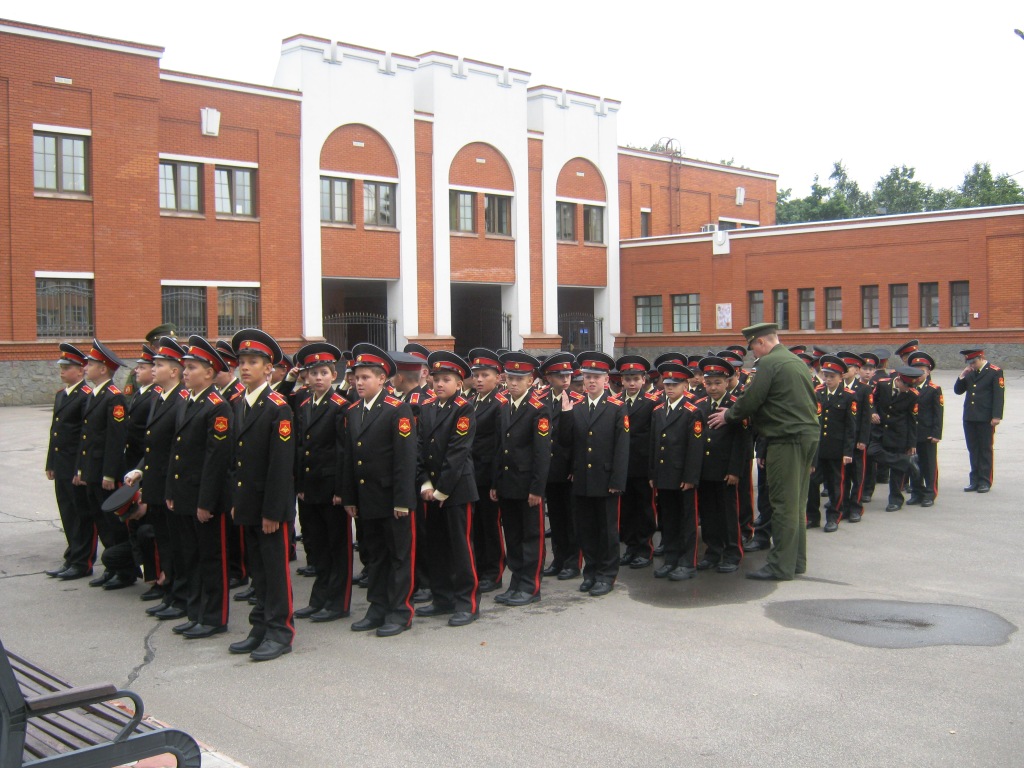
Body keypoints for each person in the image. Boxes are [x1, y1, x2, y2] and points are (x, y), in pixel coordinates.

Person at [707, 323, 819, 581]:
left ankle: (780, 566)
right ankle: (795, 561)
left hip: (786, 438)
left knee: (782, 504)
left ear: (761, 342)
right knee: (797, 502)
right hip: (805, 436)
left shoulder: (769, 363)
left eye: (753, 348)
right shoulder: (794, 361)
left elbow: (753, 398)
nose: (753, 354)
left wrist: (729, 414)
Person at [227, 329, 296, 662]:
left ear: (270, 369)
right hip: (248, 503)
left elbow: (280, 467)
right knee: (258, 570)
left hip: (269, 507)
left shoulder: (277, 407)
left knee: (274, 570)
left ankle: (280, 631)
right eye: (242, 362)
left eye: (253, 362)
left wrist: (273, 511)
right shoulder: (240, 402)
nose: (245, 368)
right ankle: (259, 626)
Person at [340, 344, 418, 637]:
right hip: (366, 498)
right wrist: (349, 496)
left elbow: (405, 459)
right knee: (374, 555)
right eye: (356, 377)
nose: (358, 382)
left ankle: (399, 611)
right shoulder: (353, 411)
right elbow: (349, 457)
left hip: (391, 498)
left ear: (382, 379)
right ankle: (378, 606)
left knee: (398, 555)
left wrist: (402, 500)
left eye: (365, 377)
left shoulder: (398, 410)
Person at [164, 336, 234, 639]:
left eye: (191, 368)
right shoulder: (187, 402)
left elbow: (216, 460)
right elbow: (176, 453)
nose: (185, 372)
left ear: (209, 372)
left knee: (210, 558)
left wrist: (206, 502)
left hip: (205, 499)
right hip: (184, 494)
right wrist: (170, 491)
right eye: (185, 367)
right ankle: (195, 612)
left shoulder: (217, 408)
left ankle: (214, 616)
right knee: (189, 557)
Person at [124, 336, 189, 615]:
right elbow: (153, 444)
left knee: (176, 543)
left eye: (159, 365)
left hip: (170, 484)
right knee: (163, 539)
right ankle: (171, 592)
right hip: (155, 481)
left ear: (174, 371)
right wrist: (140, 468)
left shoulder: (180, 401)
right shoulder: (159, 398)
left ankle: (180, 595)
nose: (153, 369)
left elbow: (178, 449)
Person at [415, 351, 480, 627]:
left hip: (456, 490)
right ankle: (442, 598)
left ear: (459, 383)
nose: (439, 384)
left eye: (446, 379)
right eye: (436, 379)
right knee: (437, 546)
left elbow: (457, 452)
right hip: (433, 491)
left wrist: (441, 489)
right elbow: (419, 447)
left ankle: (468, 602)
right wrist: (426, 483)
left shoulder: (463, 409)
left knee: (460, 547)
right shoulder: (427, 407)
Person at [558, 351, 629, 596]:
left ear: (606, 381)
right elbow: (567, 443)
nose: (590, 381)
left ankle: (607, 575)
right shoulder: (575, 407)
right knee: (585, 528)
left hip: (606, 478)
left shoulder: (617, 407)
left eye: (596, 377)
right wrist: (565, 415)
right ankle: (591, 571)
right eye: (587, 377)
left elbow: (622, 447)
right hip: (582, 478)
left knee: (607, 530)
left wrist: (617, 480)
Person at [292, 342, 352, 624]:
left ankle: (338, 602)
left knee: (337, 547)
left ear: (333, 375)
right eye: (313, 372)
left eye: (324, 372)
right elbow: (302, 446)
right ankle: (319, 599)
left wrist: (342, 490)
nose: (318, 377)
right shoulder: (304, 403)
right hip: (311, 486)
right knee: (317, 547)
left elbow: (343, 451)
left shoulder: (340, 406)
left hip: (332, 489)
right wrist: (300, 483)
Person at [491, 351, 551, 606]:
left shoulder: (539, 410)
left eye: (520, 378)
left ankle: (530, 586)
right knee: (513, 535)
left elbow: (541, 453)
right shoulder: (504, 406)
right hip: (507, 483)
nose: (513, 383)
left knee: (531, 536)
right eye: (510, 378)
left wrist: (537, 489)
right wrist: (495, 482)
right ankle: (516, 582)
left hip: (527, 486)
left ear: (531, 381)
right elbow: (499, 447)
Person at [77, 339, 131, 589]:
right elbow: (87, 437)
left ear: (104, 369)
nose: (86, 367)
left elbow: (115, 440)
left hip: (105, 472)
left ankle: (124, 570)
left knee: (112, 523)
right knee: (100, 520)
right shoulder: (94, 395)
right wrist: (81, 469)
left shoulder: (114, 398)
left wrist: (110, 473)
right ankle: (112, 567)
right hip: (92, 470)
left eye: (91, 364)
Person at [649, 360, 704, 581]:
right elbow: (654, 444)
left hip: (682, 476)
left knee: (686, 520)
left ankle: (687, 562)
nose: (670, 388)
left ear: (685, 386)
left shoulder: (693, 412)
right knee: (669, 519)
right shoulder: (658, 411)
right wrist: (653, 474)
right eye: (667, 384)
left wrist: (691, 477)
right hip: (664, 475)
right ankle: (671, 559)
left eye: (675, 384)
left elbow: (695, 448)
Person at [696, 357, 750, 571]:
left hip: (726, 470)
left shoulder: (736, 406)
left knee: (728, 513)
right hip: (705, 470)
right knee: (708, 514)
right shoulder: (700, 405)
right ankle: (713, 551)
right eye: (709, 383)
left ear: (727, 382)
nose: (712, 388)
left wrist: (735, 470)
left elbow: (742, 442)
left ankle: (732, 552)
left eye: (717, 383)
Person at [45, 343, 93, 580]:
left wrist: (81, 468)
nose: (62, 371)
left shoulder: (85, 397)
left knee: (80, 515)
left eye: (67, 367)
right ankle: (72, 555)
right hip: (62, 464)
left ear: (81, 370)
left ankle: (82, 561)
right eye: (62, 367)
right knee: (67, 513)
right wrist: (50, 462)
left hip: (75, 465)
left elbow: (85, 436)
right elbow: (56, 432)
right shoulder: (61, 395)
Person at [539, 353, 583, 579]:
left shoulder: (578, 399)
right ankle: (558, 558)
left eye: (568, 375)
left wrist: (575, 467)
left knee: (571, 517)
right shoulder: (541, 399)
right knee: (555, 517)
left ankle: (572, 562)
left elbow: (580, 439)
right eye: (559, 375)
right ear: (548, 378)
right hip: (550, 468)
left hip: (568, 469)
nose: (566, 379)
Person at [467, 348, 506, 594]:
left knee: (490, 526)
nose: (479, 380)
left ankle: (494, 572)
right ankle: (480, 568)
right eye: (476, 375)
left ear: (498, 378)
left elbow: (500, 445)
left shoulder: (499, 404)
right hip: (471, 474)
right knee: (476, 526)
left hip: (488, 473)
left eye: (485, 375)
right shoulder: (471, 402)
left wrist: (495, 481)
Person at [614, 355, 659, 569]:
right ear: (621, 381)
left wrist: (653, 470)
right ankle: (631, 547)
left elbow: (655, 438)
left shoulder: (651, 403)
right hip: (623, 466)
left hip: (642, 466)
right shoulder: (616, 402)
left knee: (644, 509)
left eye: (636, 379)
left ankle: (644, 548)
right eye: (628, 379)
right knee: (627, 509)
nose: (632, 383)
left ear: (644, 380)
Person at [806, 355, 856, 533]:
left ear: (840, 377)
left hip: (836, 449)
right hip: (818, 449)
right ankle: (812, 516)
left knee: (836, 484)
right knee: (812, 484)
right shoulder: (817, 393)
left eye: (832, 377)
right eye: (826, 376)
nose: (828, 380)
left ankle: (833, 517)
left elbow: (851, 427)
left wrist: (848, 451)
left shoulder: (848, 397)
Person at [867, 366, 923, 511]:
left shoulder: (913, 395)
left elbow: (912, 420)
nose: (908, 388)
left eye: (912, 386)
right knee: (872, 452)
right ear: (898, 380)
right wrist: (872, 412)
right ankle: (906, 462)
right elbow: (871, 400)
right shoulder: (882, 384)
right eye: (907, 385)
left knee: (897, 472)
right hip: (880, 431)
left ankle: (896, 500)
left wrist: (911, 443)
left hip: (899, 434)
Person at [953, 348, 1004, 493]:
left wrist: (996, 416)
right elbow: (958, 390)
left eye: (974, 362)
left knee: (985, 449)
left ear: (981, 358)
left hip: (985, 418)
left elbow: (998, 395)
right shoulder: (970, 372)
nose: (972, 365)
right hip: (970, 417)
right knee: (973, 449)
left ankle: (985, 481)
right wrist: (962, 375)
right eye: (970, 363)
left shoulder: (994, 371)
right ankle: (974, 480)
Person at [906, 351, 942, 507]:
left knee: (928, 465)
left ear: (928, 371)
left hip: (927, 433)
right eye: (916, 369)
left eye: (922, 370)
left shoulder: (934, 389)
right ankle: (916, 492)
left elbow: (938, 413)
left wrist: (936, 433)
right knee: (913, 465)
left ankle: (930, 493)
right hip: (911, 434)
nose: (919, 373)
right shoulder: (908, 388)